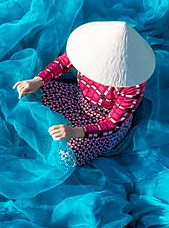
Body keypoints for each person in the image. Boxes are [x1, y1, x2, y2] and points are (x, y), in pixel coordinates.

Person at [13, 21, 156, 166]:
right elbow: (64, 63)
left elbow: (112, 125)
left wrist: (74, 132)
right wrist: (38, 80)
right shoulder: (88, 50)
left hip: (103, 121)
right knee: (30, 93)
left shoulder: (132, 86)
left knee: (65, 156)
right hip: (77, 98)